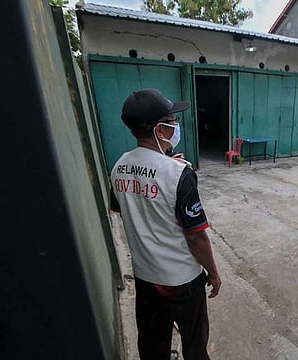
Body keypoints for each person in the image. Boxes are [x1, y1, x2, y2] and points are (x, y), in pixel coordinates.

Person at [110, 88, 221, 360]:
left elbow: (119, 207)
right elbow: (196, 237)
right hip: (182, 279)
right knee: (195, 340)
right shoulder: (179, 174)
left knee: (152, 340)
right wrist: (214, 273)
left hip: (146, 275)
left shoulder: (119, 166)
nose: (176, 126)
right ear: (160, 131)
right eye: (173, 121)